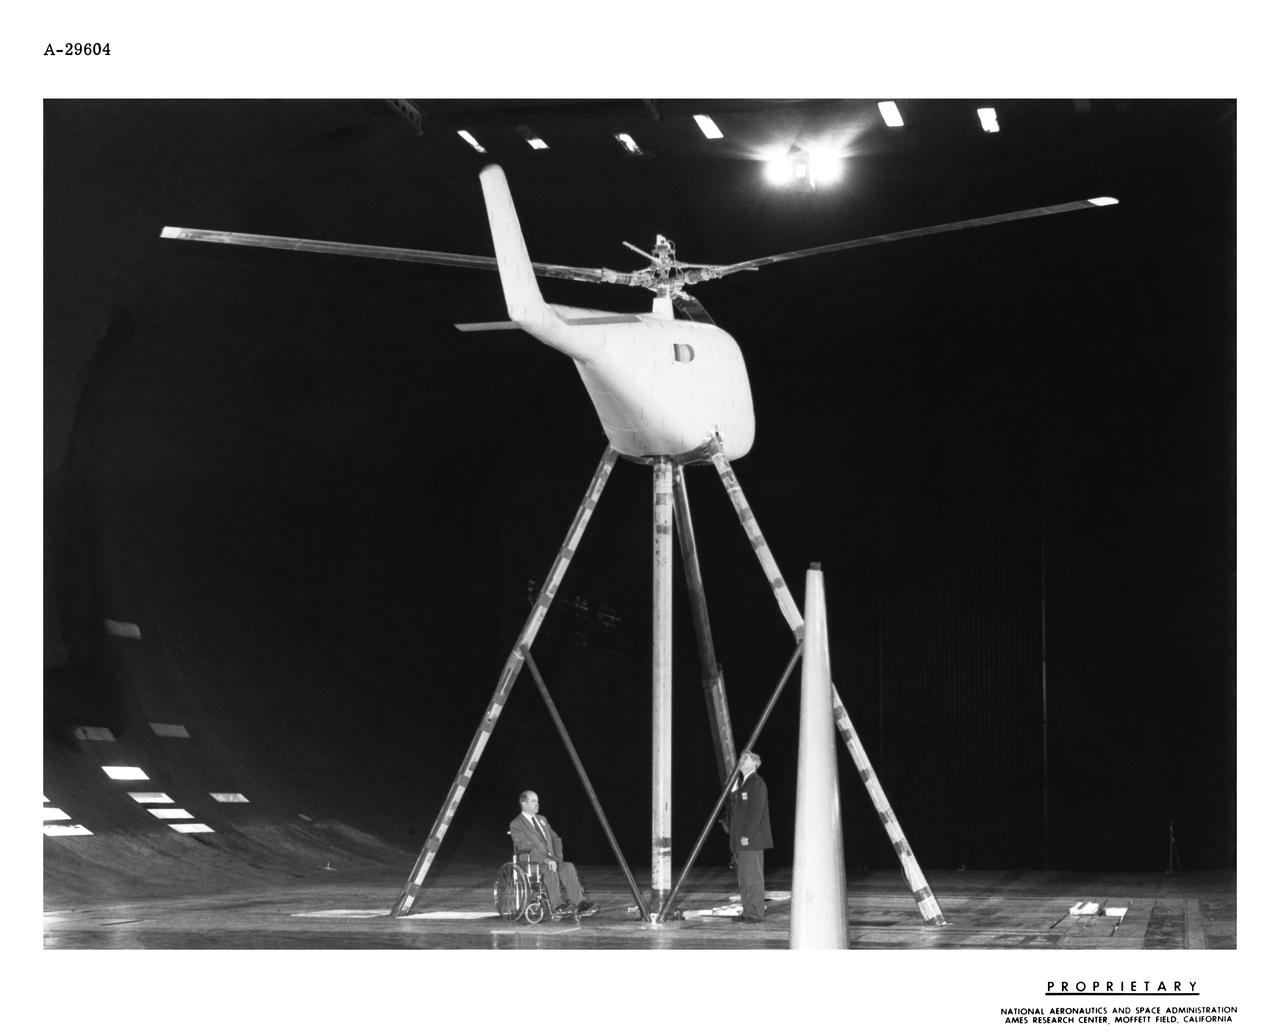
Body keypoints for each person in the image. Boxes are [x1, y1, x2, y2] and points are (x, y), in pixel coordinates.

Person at [508, 790, 597, 918]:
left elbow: (556, 839)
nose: (537, 804)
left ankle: (580, 903)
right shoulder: (516, 824)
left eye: (537, 801)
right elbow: (525, 847)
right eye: (533, 801)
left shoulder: (542, 819)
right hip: (532, 862)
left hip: (550, 859)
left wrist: (557, 858)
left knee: (568, 867)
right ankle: (557, 905)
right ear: (523, 803)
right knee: (549, 869)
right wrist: (546, 860)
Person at [728, 750, 772, 923]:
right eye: (741, 758)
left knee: (753, 877)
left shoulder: (757, 783)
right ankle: (747, 912)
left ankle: (756, 914)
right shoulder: (743, 783)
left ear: (755, 763)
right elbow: (736, 806)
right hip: (740, 840)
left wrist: (747, 835)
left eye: (745, 759)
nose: (741, 761)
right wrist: (733, 788)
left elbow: (756, 812)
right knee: (744, 879)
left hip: (750, 840)